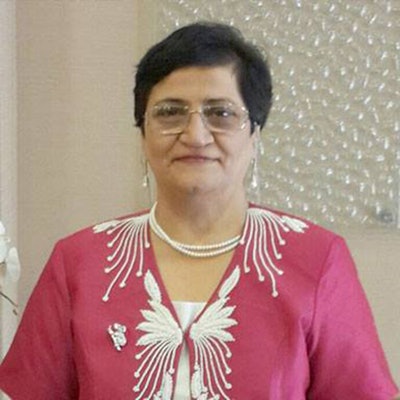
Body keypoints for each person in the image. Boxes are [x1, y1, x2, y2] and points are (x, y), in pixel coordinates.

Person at [0, 22, 398, 400]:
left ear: (255, 134)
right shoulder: (79, 263)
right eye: (170, 112)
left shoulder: (316, 260)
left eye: (220, 113)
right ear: (142, 133)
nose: (195, 135)